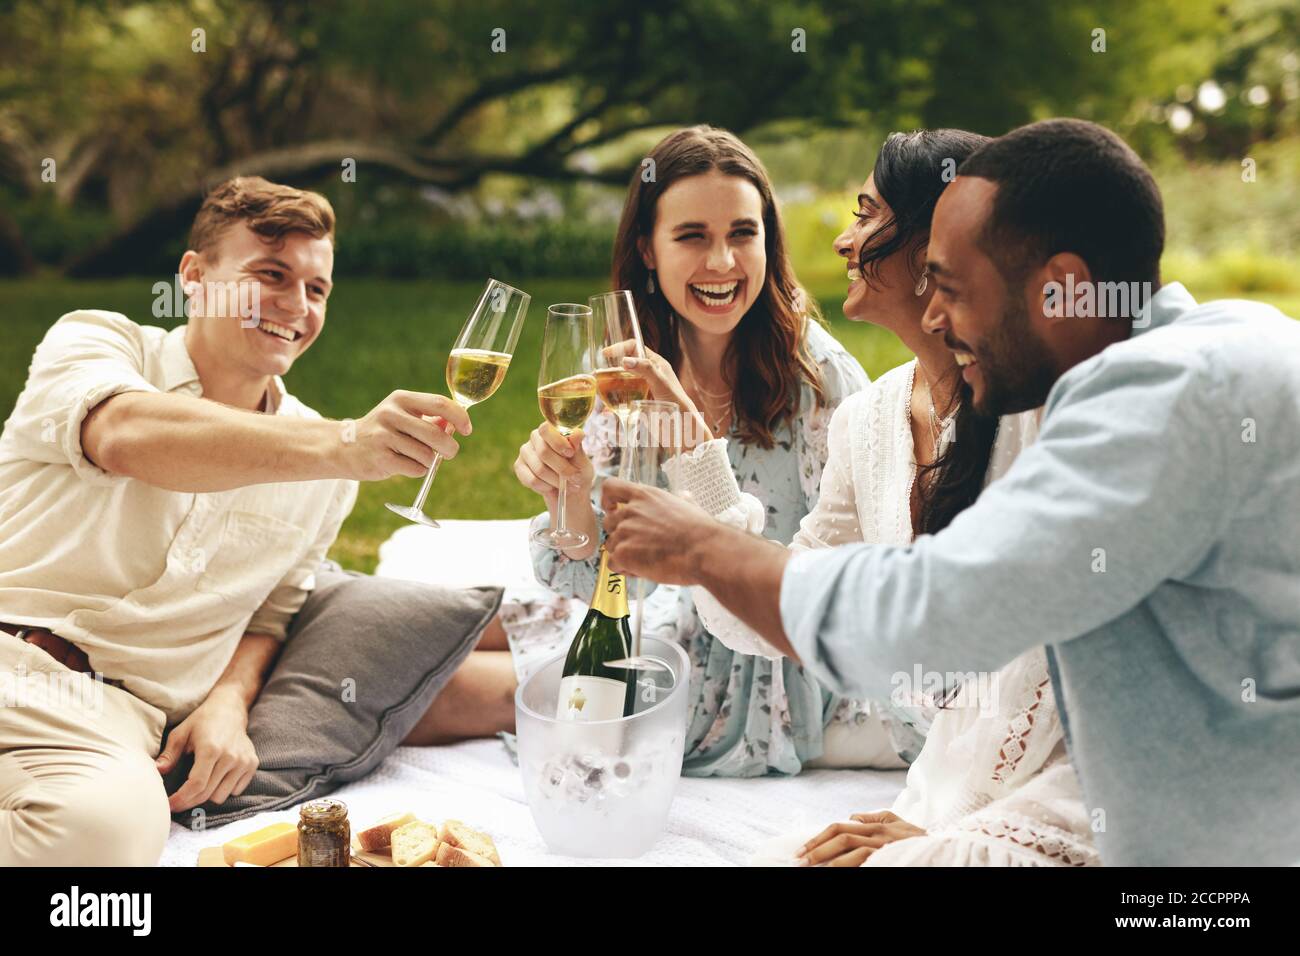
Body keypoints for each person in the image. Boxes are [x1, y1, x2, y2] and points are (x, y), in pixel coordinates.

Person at [600, 118, 1300, 866]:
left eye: (954, 288)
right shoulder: (1181, 354)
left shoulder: (1160, 399)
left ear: (1061, 289)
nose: (935, 315)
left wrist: (702, 546)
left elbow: (941, 615)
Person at [0, 176, 504, 865]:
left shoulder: (327, 474)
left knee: (108, 837)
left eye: (317, 289)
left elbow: (272, 613)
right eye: (271, 274)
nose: (296, 306)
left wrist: (229, 701)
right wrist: (346, 445)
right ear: (194, 276)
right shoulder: (97, 343)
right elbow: (124, 434)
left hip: (108, 723)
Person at [679, 129, 1097, 866]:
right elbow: (778, 618)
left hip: (1080, 778)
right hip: (951, 784)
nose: (844, 240)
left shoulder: (1044, 407)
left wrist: (956, 821)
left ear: (940, 241)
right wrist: (697, 470)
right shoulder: (868, 421)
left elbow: (1045, 656)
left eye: (866, 215)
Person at [510, 125, 895, 777]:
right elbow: (606, 574)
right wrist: (570, 493)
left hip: (780, 662)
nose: (722, 263)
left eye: (742, 234)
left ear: (769, 242)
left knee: (484, 690)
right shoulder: (629, 379)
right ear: (648, 251)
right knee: (499, 637)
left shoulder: (822, 382)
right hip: (660, 628)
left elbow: (840, 582)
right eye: (693, 236)